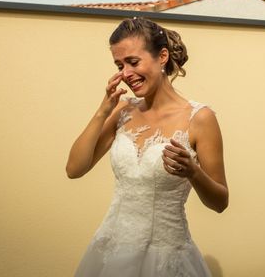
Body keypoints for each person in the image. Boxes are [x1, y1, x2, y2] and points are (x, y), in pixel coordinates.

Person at [66, 17, 228, 277]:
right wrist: (102, 111)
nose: (126, 74)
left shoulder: (200, 118)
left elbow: (220, 202)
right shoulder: (122, 110)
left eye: (132, 62)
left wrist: (192, 172)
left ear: (162, 56)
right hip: (112, 250)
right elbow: (74, 169)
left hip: (166, 256)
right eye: (119, 65)